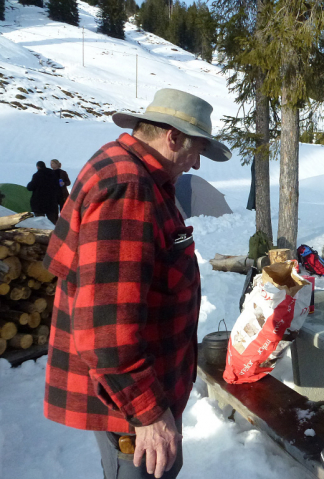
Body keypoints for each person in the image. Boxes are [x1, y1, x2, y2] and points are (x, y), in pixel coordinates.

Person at [43, 89, 231, 479]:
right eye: (196, 150)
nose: (196, 164)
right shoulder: (129, 187)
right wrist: (148, 411)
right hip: (130, 407)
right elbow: (106, 327)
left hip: (134, 395)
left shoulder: (126, 168)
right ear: (172, 137)